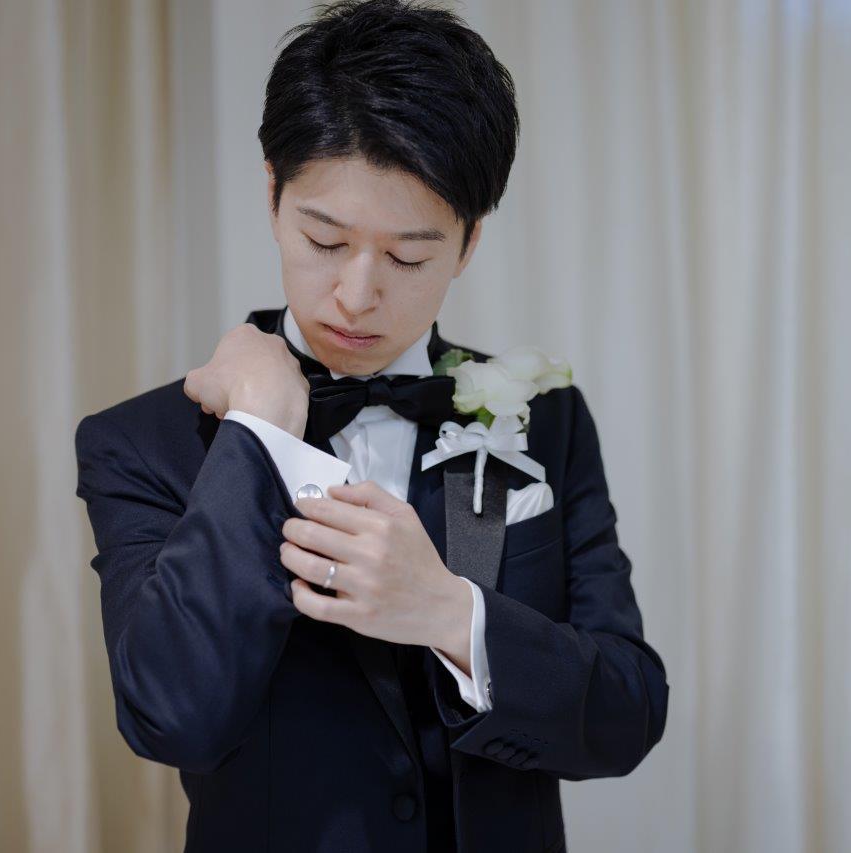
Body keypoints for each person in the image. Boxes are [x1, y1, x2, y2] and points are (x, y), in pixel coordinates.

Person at [72, 2, 669, 850]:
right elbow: (170, 716)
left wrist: (449, 613)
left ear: (468, 242)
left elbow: (627, 712)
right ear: (273, 194)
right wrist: (260, 434)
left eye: (407, 257)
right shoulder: (144, 441)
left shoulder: (546, 420)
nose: (357, 295)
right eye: (325, 240)